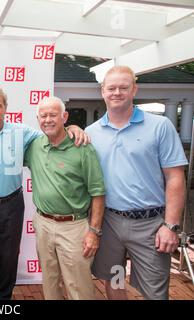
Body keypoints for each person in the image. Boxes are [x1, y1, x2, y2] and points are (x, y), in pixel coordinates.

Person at [0, 86, 89, 300]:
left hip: (11, 204)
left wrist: (73, 126)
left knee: (9, 256)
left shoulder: (22, 132)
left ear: (5, 108)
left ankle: (3, 299)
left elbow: (54, 133)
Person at [86, 66, 188, 300]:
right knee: (115, 279)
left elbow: (175, 177)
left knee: (153, 291)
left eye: (124, 87)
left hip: (150, 225)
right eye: (111, 88)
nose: (117, 92)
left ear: (134, 89)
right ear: (102, 91)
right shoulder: (91, 133)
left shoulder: (159, 127)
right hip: (109, 224)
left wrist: (170, 225)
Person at [24, 97, 105, 300]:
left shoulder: (82, 147)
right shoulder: (34, 146)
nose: (48, 120)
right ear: (38, 119)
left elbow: (98, 192)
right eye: (43, 116)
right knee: (50, 284)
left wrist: (94, 232)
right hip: (43, 224)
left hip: (74, 226)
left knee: (78, 287)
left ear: (64, 117)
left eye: (53, 115)